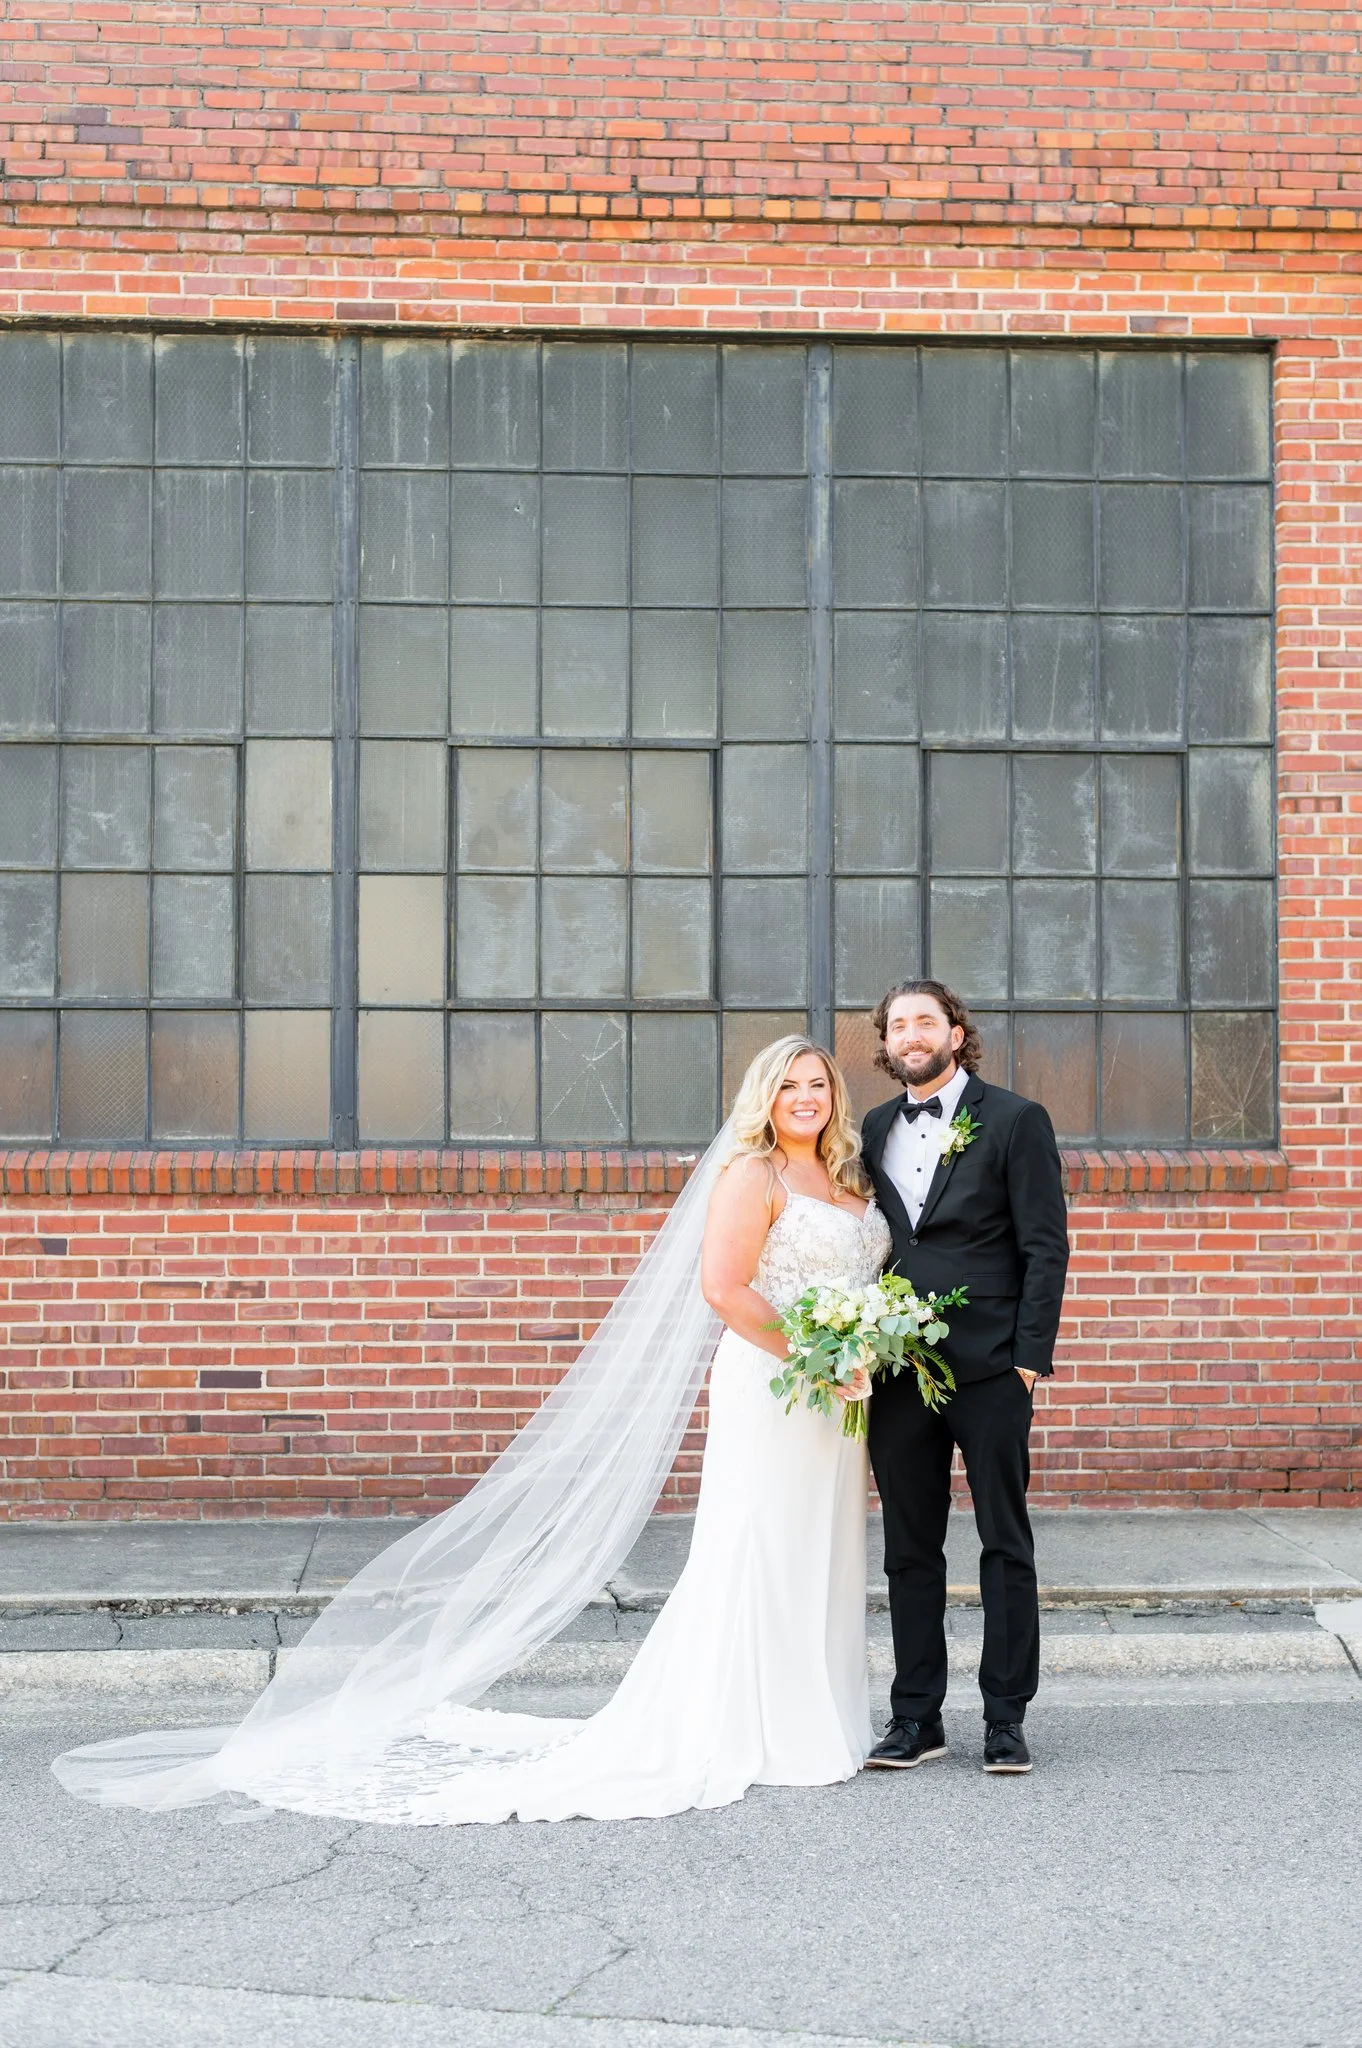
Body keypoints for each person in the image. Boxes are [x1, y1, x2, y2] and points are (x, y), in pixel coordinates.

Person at [53, 1037, 892, 1825]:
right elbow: (724, 1288)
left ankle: (816, 1716)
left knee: (821, 1548)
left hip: (836, 1397)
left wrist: (857, 1351)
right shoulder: (752, 1175)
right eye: (788, 1084)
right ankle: (754, 1725)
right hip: (777, 1382)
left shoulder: (849, 1180)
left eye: (817, 1084)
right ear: (764, 1097)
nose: (805, 1097)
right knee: (758, 1547)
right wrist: (817, 1357)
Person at [858, 980, 1070, 1777]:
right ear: (887, 1042)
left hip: (990, 1370)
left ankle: (1006, 1717)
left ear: (955, 1033)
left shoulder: (1016, 1120)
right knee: (910, 1550)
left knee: (1002, 1542)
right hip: (898, 1372)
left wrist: (1026, 1360)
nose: (912, 1033)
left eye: (926, 1021)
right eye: (899, 1023)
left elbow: (1046, 1247)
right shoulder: (875, 1126)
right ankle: (916, 1717)